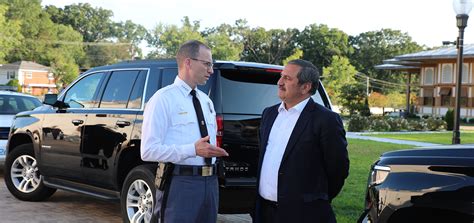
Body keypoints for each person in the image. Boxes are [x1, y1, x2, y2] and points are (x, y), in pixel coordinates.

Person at [141, 40, 229, 223]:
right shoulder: (162, 99)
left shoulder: (206, 101)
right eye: (207, 64)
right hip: (180, 183)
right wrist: (192, 150)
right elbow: (148, 151)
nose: (211, 70)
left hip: (210, 184)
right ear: (188, 62)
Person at [254, 59, 349, 223]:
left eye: (287, 79)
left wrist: (315, 199)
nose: (280, 82)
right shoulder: (269, 114)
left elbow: (338, 169)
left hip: (304, 214)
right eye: (281, 76)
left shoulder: (326, 120)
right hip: (265, 212)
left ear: (306, 87)